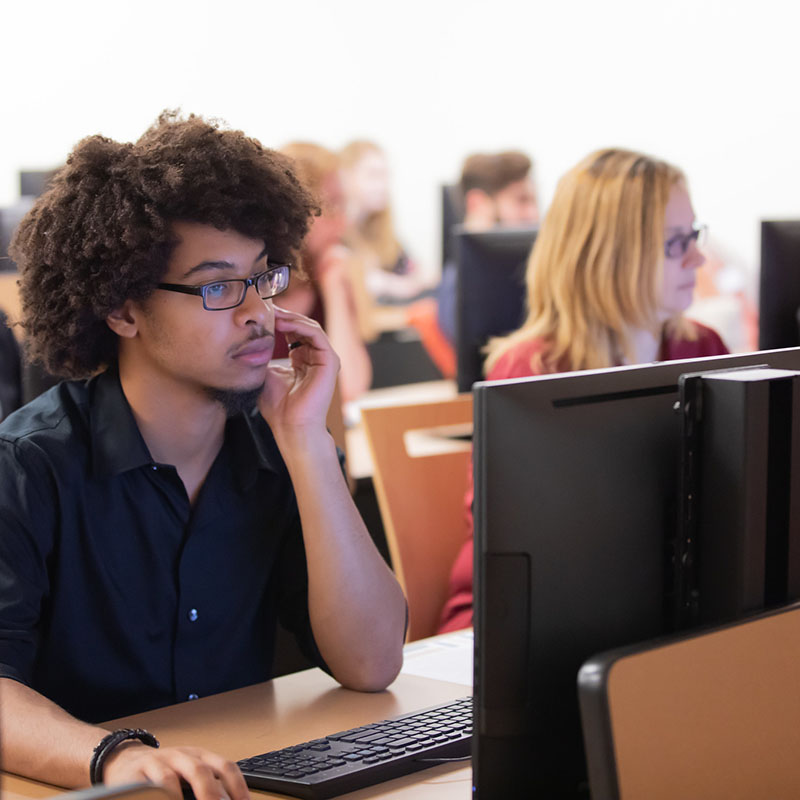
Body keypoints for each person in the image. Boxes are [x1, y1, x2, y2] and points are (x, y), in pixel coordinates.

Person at [0, 111, 406, 799]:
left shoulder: (280, 450)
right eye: (219, 287)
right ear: (123, 311)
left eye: (264, 277)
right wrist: (118, 758)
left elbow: (371, 662)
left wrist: (308, 443)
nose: (258, 314)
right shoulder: (28, 469)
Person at [438, 147, 729, 634]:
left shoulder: (702, 346)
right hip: (522, 621)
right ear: (610, 254)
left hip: (661, 611)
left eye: (694, 235)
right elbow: (517, 536)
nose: (698, 257)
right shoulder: (532, 371)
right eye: (678, 242)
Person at [276, 142, 373, 403]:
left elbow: (350, 388)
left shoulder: (329, 278)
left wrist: (335, 291)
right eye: (331, 206)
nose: (343, 221)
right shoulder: (254, 288)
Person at [436, 150, 539, 347]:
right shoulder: (458, 287)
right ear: (478, 203)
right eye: (521, 201)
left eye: (533, 201)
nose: (533, 214)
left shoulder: (533, 270)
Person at [339, 140, 428, 305]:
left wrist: (389, 283)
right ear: (346, 176)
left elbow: (419, 274)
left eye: (385, 176)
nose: (383, 185)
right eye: (373, 175)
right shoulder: (335, 235)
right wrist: (389, 284)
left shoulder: (380, 231)